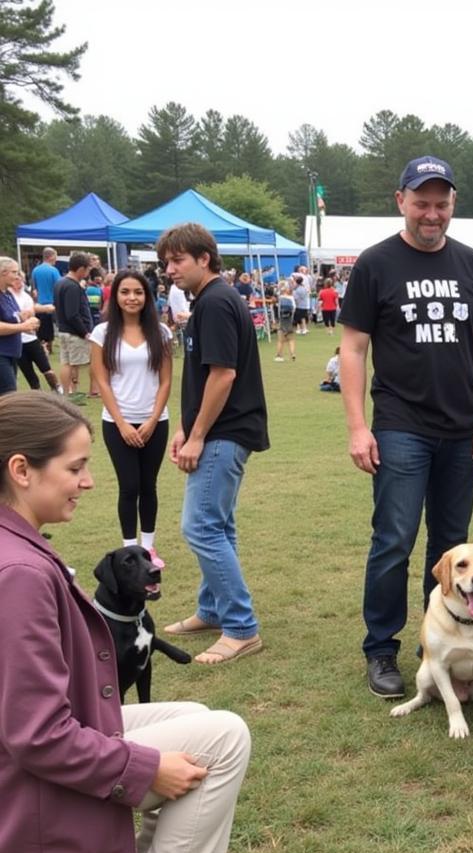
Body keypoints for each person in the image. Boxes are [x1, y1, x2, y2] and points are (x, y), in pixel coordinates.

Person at [0, 391, 255, 853]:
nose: (87, 482)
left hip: (19, 767)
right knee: (224, 736)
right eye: (75, 467)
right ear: (21, 470)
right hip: (22, 780)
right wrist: (141, 771)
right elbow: (36, 736)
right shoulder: (18, 571)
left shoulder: (17, 546)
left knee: (192, 709)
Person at [339, 154, 473, 699]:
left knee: (454, 546)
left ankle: (438, 644)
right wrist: (359, 427)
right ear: (401, 201)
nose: (431, 214)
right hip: (400, 424)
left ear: (453, 204)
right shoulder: (375, 264)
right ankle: (381, 648)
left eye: (441, 203)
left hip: (463, 429)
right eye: (421, 203)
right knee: (394, 539)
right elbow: (354, 347)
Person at [156, 223, 269, 666]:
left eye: (177, 260)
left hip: (225, 433)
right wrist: (187, 426)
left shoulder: (217, 302)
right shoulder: (212, 300)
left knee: (201, 526)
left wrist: (198, 435)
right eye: (166, 261)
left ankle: (241, 627)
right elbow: (205, 375)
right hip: (218, 430)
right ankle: (214, 610)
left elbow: (223, 375)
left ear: (205, 258)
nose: (169, 270)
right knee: (217, 525)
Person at [89, 270, 173, 567]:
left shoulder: (161, 333)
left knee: (148, 485)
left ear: (147, 296)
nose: (132, 298)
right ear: (116, 296)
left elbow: (165, 381)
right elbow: (102, 381)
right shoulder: (102, 333)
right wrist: (122, 423)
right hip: (116, 423)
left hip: (155, 422)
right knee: (129, 486)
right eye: (125, 292)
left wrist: (151, 421)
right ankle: (128, 549)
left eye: (138, 292)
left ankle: (148, 548)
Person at [53, 252, 94, 403]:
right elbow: (73, 313)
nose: (88, 273)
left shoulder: (60, 282)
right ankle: (71, 393)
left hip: (64, 330)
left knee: (67, 363)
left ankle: (69, 393)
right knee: (73, 364)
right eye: (88, 269)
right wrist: (84, 332)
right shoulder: (72, 286)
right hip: (73, 332)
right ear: (81, 269)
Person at [11, 270, 59, 392]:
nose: (19, 282)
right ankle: (37, 396)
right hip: (16, 341)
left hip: (31, 338)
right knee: (28, 373)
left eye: (21, 279)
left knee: (46, 368)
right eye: (16, 279)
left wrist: (30, 316)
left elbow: (31, 315)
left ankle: (57, 389)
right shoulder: (7, 296)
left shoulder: (26, 296)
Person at [0, 258, 36, 396]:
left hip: (11, 353)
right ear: (3, 272)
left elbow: (11, 316)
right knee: (8, 396)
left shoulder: (7, 294)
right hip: (2, 353)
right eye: (14, 272)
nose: (18, 276)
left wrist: (23, 316)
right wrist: (22, 327)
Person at [30, 246, 61, 354]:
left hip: (39, 304)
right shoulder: (54, 270)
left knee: (41, 328)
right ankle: (49, 348)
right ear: (51, 257)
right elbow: (59, 286)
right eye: (56, 256)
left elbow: (33, 288)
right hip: (52, 303)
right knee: (55, 327)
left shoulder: (35, 270)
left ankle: (42, 347)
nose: (56, 259)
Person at [275, 281, 296, 361]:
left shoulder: (280, 298)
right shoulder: (291, 298)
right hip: (290, 320)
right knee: (291, 339)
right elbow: (294, 309)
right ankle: (293, 354)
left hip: (282, 320)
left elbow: (278, 310)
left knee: (280, 340)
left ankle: (279, 355)